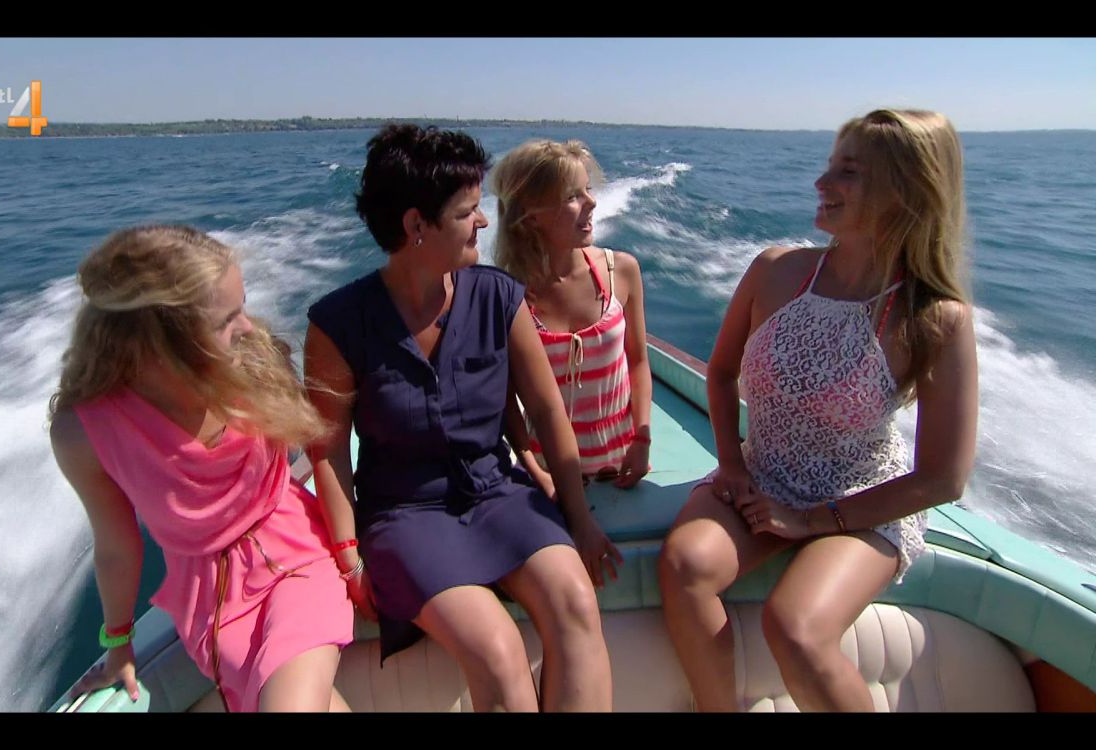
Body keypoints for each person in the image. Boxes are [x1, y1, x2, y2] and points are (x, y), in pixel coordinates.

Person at [658, 109, 979, 712]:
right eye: (830, 166)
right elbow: (721, 374)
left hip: (862, 497)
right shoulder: (776, 271)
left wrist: (811, 521)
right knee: (685, 565)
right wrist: (732, 465)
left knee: (796, 629)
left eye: (848, 172)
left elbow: (943, 479)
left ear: (906, 191)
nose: (821, 183)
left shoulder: (934, 317)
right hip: (761, 475)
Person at [304, 124, 619, 711]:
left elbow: (547, 411)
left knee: (576, 602)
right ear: (416, 226)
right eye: (466, 212)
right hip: (404, 514)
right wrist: (348, 557)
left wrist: (579, 518)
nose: (483, 223)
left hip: (498, 493)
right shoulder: (338, 324)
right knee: (495, 650)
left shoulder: (499, 296)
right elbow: (327, 451)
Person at [49, 225, 353, 712]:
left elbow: (315, 452)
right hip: (212, 605)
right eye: (227, 319)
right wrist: (118, 645)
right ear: (159, 340)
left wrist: (352, 549)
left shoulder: (254, 364)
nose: (248, 328)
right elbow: (116, 546)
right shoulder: (84, 433)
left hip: (299, 556)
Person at [490, 139, 652, 492]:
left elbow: (638, 361)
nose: (591, 202)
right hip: (548, 473)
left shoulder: (621, 271)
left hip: (622, 466)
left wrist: (642, 442)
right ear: (530, 214)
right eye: (572, 196)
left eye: (588, 190)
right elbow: (506, 400)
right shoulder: (507, 294)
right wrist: (536, 473)